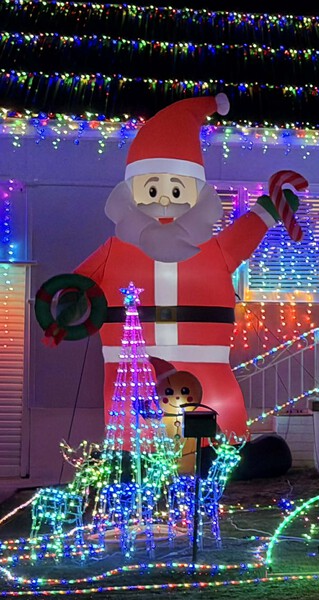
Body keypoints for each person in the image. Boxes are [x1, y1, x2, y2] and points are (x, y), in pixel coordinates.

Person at [43, 93, 305, 440]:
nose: (165, 199)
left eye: (177, 191)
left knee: (219, 418)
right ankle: (130, 456)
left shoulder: (213, 248)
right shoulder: (114, 250)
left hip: (207, 361)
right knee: (131, 427)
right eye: (152, 190)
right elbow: (76, 287)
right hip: (130, 362)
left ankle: (226, 452)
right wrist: (61, 319)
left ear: (197, 194)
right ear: (130, 193)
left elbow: (245, 233)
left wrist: (269, 211)